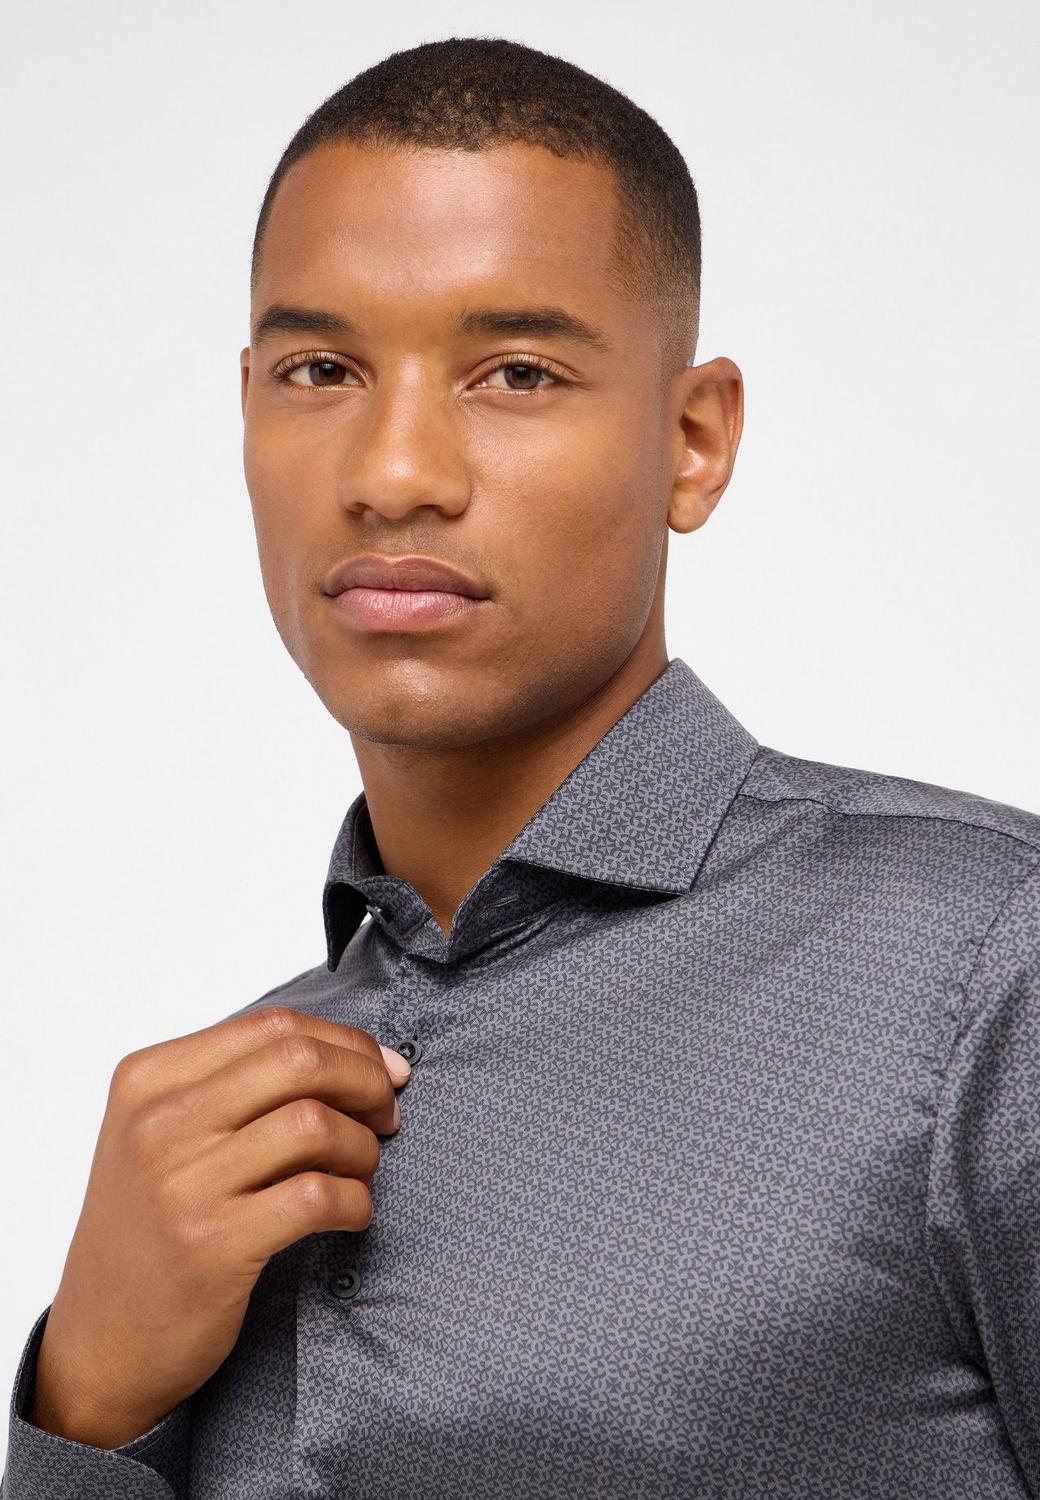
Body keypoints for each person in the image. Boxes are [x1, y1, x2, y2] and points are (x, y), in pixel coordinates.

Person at [4, 33, 1040, 1500]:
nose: (393, 471)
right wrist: (85, 1404)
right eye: (319, 370)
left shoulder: (987, 969)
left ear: (693, 441)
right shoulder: (212, 1123)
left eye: (515, 372)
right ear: (245, 412)